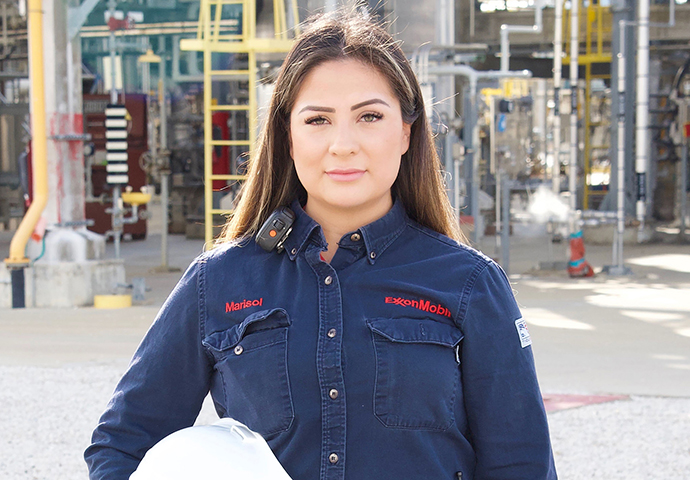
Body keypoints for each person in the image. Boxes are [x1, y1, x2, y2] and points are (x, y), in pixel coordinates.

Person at [85, 10, 557, 480]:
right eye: (318, 120)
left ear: (407, 132)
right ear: (288, 137)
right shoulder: (219, 282)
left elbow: (522, 464)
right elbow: (123, 444)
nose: (343, 144)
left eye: (369, 116)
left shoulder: (470, 285)